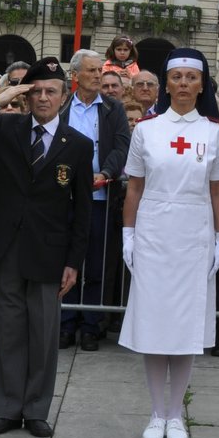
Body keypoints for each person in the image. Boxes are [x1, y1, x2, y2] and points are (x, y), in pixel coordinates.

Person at [0, 57, 91, 438]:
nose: (43, 98)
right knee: (10, 329)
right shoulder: (5, 127)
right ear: (26, 95)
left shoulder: (78, 145)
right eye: (36, 91)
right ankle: (7, 408)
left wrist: (74, 261)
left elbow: (82, 210)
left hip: (50, 251)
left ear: (64, 97)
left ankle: (36, 410)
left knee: (44, 332)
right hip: (6, 246)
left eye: (51, 91)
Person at [119, 48, 219, 438]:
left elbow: (218, 193)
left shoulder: (214, 133)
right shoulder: (146, 130)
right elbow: (134, 187)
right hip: (153, 232)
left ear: (202, 85)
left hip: (193, 234)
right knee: (154, 324)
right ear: (166, 84)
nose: (184, 84)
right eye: (177, 77)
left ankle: (176, 413)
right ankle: (155, 411)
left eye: (192, 77)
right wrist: (127, 235)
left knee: (185, 328)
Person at [58, 50, 131, 352]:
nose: (99, 75)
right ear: (75, 75)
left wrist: (106, 172)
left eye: (100, 70)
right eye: (91, 71)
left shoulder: (113, 109)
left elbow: (121, 145)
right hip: (63, 199)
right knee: (66, 262)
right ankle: (64, 323)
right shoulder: (62, 107)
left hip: (100, 197)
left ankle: (90, 326)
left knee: (97, 264)